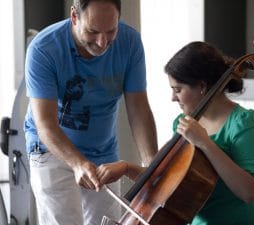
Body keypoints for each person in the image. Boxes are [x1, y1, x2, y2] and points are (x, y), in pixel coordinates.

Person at [97, 41, 254, 224]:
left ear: (202, 86)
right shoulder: (183, 123)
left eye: (178, 90)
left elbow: (249, 192)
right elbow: (165, 183)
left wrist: (205, 143)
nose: (173, 98)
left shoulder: (244, 123)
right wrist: (126, 168)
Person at [24, 0, 158, 224]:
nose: (102, 42)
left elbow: (139, 108)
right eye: (93, 31)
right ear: (75, 16)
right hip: (51, 149)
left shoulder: (131, 42)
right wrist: (78, 163)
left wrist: (152, 167)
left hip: (102, 150)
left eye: (111, 30)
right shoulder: (43, 48)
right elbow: (45, 124)